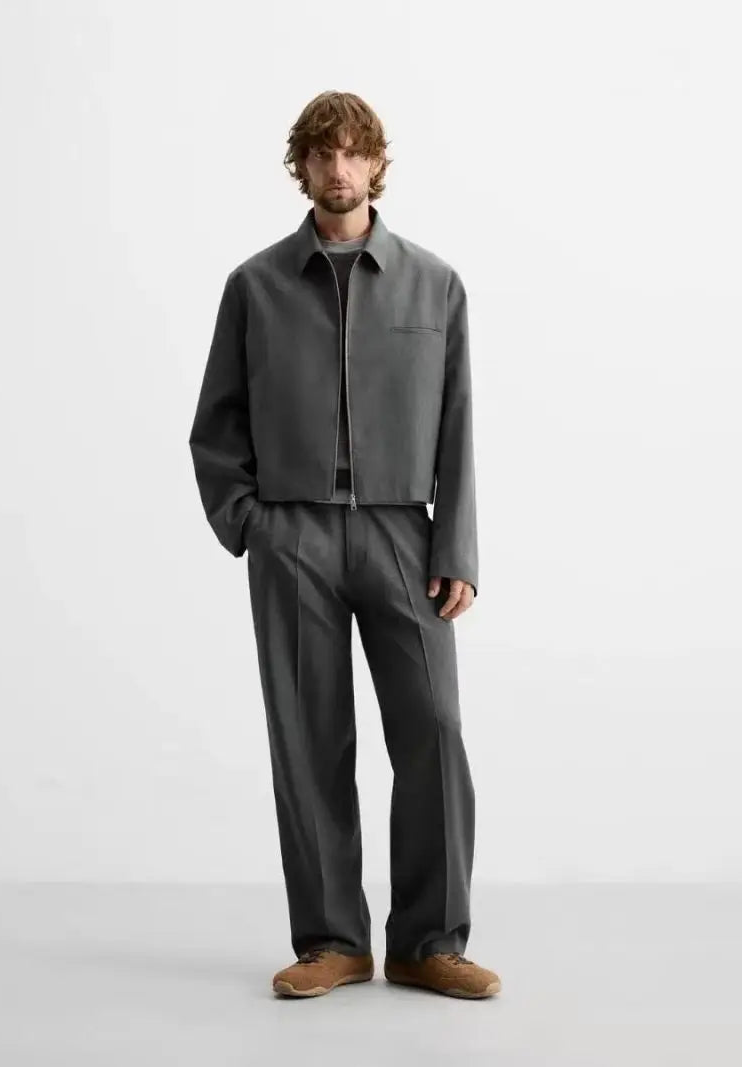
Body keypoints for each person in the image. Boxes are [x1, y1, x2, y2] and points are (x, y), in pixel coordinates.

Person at [189, 90, 501, 1000]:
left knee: (434, 729)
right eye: (322, 154)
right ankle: (332, 939)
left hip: (404, 530)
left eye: (353, 152)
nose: (338, 169)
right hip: (291, 533)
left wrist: (457, 545)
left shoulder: (434, 284)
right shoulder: (254, 286)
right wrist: (251, 524)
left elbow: (459, 421)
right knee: (308, 738)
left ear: (376, 163)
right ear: (302, 166)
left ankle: (429, 940)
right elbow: (216, 425)